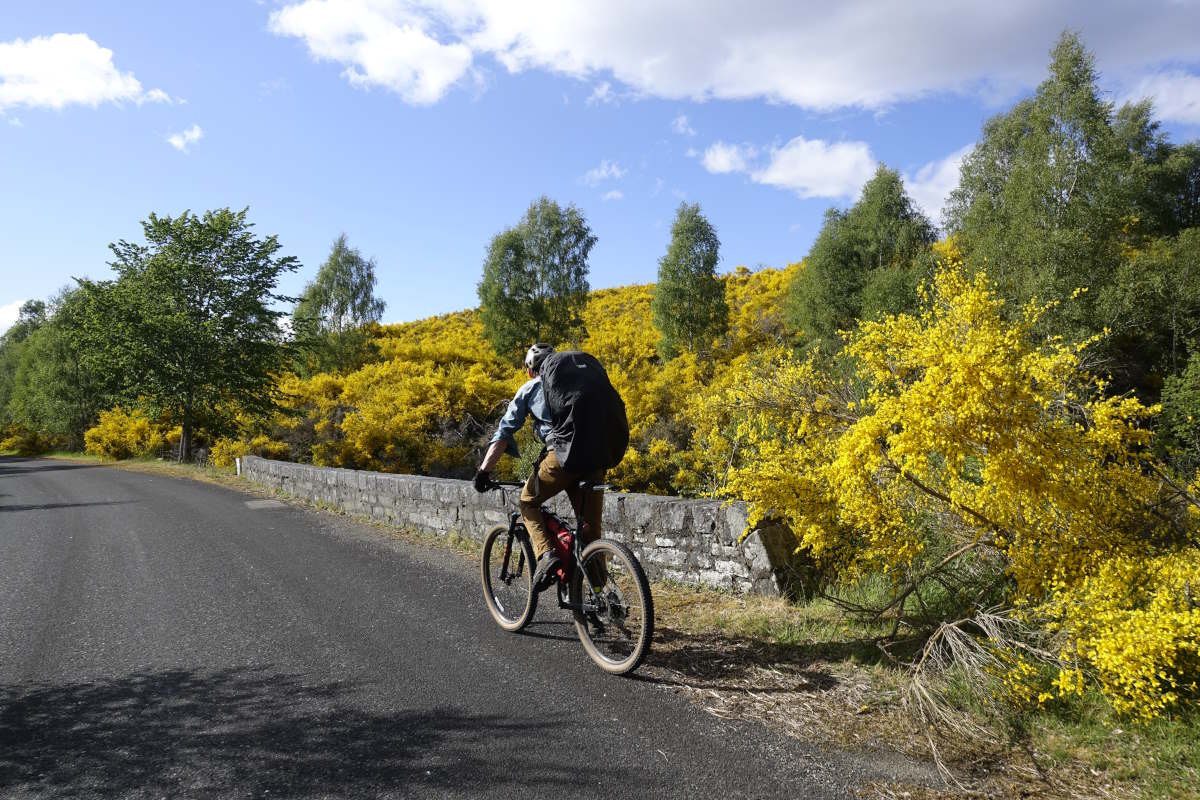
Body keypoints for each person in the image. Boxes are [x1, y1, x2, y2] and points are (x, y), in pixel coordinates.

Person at [474, 343, 605, 591]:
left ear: (529, 370)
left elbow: (503, 434)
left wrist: (483, 472)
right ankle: (603, 603)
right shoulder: (578, 384)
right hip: (596, 457)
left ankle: (546, 555)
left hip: (563, 458)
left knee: (527, 502)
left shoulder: (530, 388)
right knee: (590, 533)